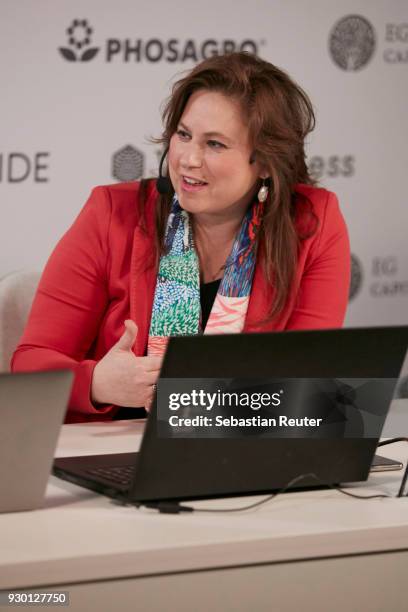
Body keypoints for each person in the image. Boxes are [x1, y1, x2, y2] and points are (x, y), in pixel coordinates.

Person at [11, 52, 351, 423]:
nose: (188, 159)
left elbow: (305, 381)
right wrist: (96, 383)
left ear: (267, 162)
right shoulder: (111, 213)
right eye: (184, 135)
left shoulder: (311, 224)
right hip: (111, 451)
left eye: (215, 144)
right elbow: (31, 362)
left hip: (243, 453)